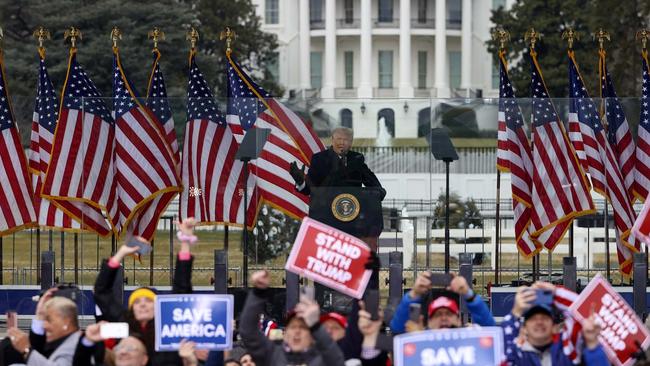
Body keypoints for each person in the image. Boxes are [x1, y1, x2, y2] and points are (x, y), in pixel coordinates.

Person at [92, 218, 197, 366]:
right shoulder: (123, 324)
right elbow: (102, 291)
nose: (142, 305)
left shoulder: (168, 326)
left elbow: (182, 288)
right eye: (137, 302)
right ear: (131, 309)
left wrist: (185, 242)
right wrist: (120, 254)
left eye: (148, 301)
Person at [239, 270, 345, 366]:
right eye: (293, 327)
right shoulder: (272, 355)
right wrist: (258, 293)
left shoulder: (321, 360)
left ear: (312, 335)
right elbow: (248, 331)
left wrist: (315, 325)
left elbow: (336, 359)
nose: (297, 331)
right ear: (286, 333)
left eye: (303, 328)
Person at [501, 282, 609, 366]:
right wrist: (516, 312)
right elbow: (504, 337)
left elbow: (583, 311)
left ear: (554, 327)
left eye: (544, 318)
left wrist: (557, 294)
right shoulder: (516, 355)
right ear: (524, 328)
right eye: (533, 319)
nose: (539, 322)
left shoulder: (566, 351)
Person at [289, 126, 385, 200]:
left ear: (351, 143)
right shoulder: (319, 159)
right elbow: (310, 189)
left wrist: (379, 192)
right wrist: (300, 182)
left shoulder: (357, 159)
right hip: (326, 212)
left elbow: (373, 184)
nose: (342, 143)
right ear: (332, 140)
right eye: (339, 139)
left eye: (346, 140)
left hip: (352, 213)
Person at [389, 271, 495, 333]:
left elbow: (491, 331)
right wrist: (414, 293)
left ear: (459, 320)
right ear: (429, 322)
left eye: (449, 313)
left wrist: (467, 293)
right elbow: (397, 329)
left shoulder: (468, 336)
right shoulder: (419, 338)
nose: (444, 318)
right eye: (438, 314)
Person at [7, 289, 81, 365]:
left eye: (49, 319)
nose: (44, 325)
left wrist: (26, 350)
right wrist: (40, 314)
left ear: (66, 321)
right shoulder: (64, 341)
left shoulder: (77, 347)